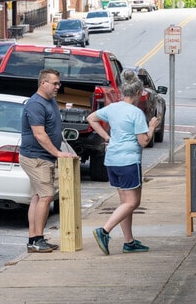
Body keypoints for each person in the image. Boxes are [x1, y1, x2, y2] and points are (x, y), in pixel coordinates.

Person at [87, 69, 159, 255]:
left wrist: (107, 137)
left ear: (121, 91)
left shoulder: (112, 108)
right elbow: (143, 141)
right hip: (129, 160)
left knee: (124, 202)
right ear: (138, 93)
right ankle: (104, 231)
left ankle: (129, 241)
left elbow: (91, 118)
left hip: (112, 160)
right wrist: (151, 128)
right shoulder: (136, 113)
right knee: (133, 202)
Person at [19, 68, 75, 253]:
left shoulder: (50, 101)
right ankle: (37, 240)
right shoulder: (36, 104)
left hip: (43, 157)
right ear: (43, 83)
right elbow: (39, 134)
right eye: (55, 83)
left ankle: (34, 239)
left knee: (37, 197)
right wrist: (58, 153)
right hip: (36, 158)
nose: (58, 86)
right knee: (47, 196)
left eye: (59, 83)